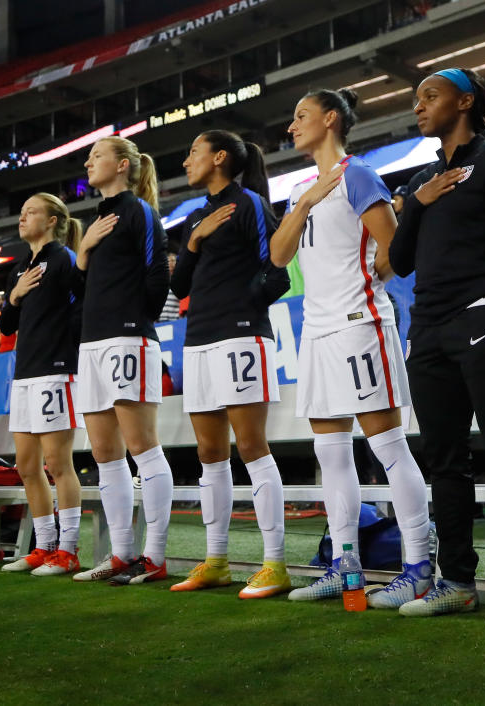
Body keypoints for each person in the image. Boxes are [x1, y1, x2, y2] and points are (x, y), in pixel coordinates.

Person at [388, 68, 485, 626]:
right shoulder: (421, 180)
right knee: (445, 461)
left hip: (483, 319)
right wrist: (418, 204)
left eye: (429, 96)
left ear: (465, 100)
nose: (419, 106)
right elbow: (401, 261)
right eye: (416, 98)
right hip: (426, 329)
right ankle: (456, 580)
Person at [269, 87, 434, 609]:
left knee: (388, 447)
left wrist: (364, 287)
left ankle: (419, 566)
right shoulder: (305, 188)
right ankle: (346, 565)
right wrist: (307, 201)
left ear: (331, 119)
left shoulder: (359, 175)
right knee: (330, 453)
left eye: (302, 115)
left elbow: (394, 251)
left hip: (359, 324)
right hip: (315, 332)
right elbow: (277, 256)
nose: (292, 126)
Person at [168, 130, 293, 598]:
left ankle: (275, 564)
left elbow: (276, 273)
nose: (186, 161)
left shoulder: (251, 206)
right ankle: (216, 560)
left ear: (219, 158)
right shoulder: (195, 217)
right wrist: (195, 240)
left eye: (193, 151)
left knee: (251, 446)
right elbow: (179, 287)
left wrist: (244, 309)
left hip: (241, 336)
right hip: (198, 340)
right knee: (208, 453)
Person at [70, 136, 174, 585]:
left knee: (142, 447)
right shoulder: (93, 223)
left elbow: (157, 274)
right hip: (91, 344)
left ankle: (155, 555)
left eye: (97, 155)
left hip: (128, 339)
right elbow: (77, 291)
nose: (89, 162)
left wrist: (136, 322)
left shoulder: (140, 213)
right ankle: (122, 553)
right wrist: (83, 252)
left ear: (123, 165)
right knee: (104, 454)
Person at [0, 193, 85, 576]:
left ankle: (68, 550)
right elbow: (5, 326)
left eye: (30, 211)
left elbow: (82, 311)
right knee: (26, 465)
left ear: (52, 220)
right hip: (24, 376)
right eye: (21, 211)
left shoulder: (64, 260)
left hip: (55, 371)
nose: (22, 217)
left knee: (57, 463)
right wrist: (14, 297)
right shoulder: (19, 269)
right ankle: (44, 546)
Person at [156, 253, 181, 322]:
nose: (170, 263)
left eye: (173, 260)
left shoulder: (179, 280)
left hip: (175, 319)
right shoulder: (161, 280)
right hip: (162, 319)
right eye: (168, 261)